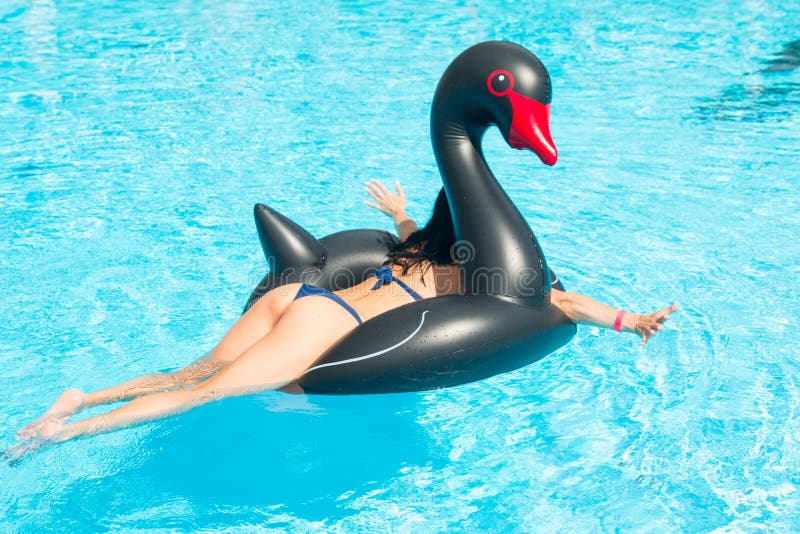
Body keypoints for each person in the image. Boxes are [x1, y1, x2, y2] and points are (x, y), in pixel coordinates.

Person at [7, 180, 678, 460]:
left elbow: (417, 226)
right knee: (203, 394)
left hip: (296, 297)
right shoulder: (473, 275)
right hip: (318, 327)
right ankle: (66, 433)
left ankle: (85, 394)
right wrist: (628, 320)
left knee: (193, 370)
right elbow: (559, 302)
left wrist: (398, 211)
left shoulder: (422, 246)